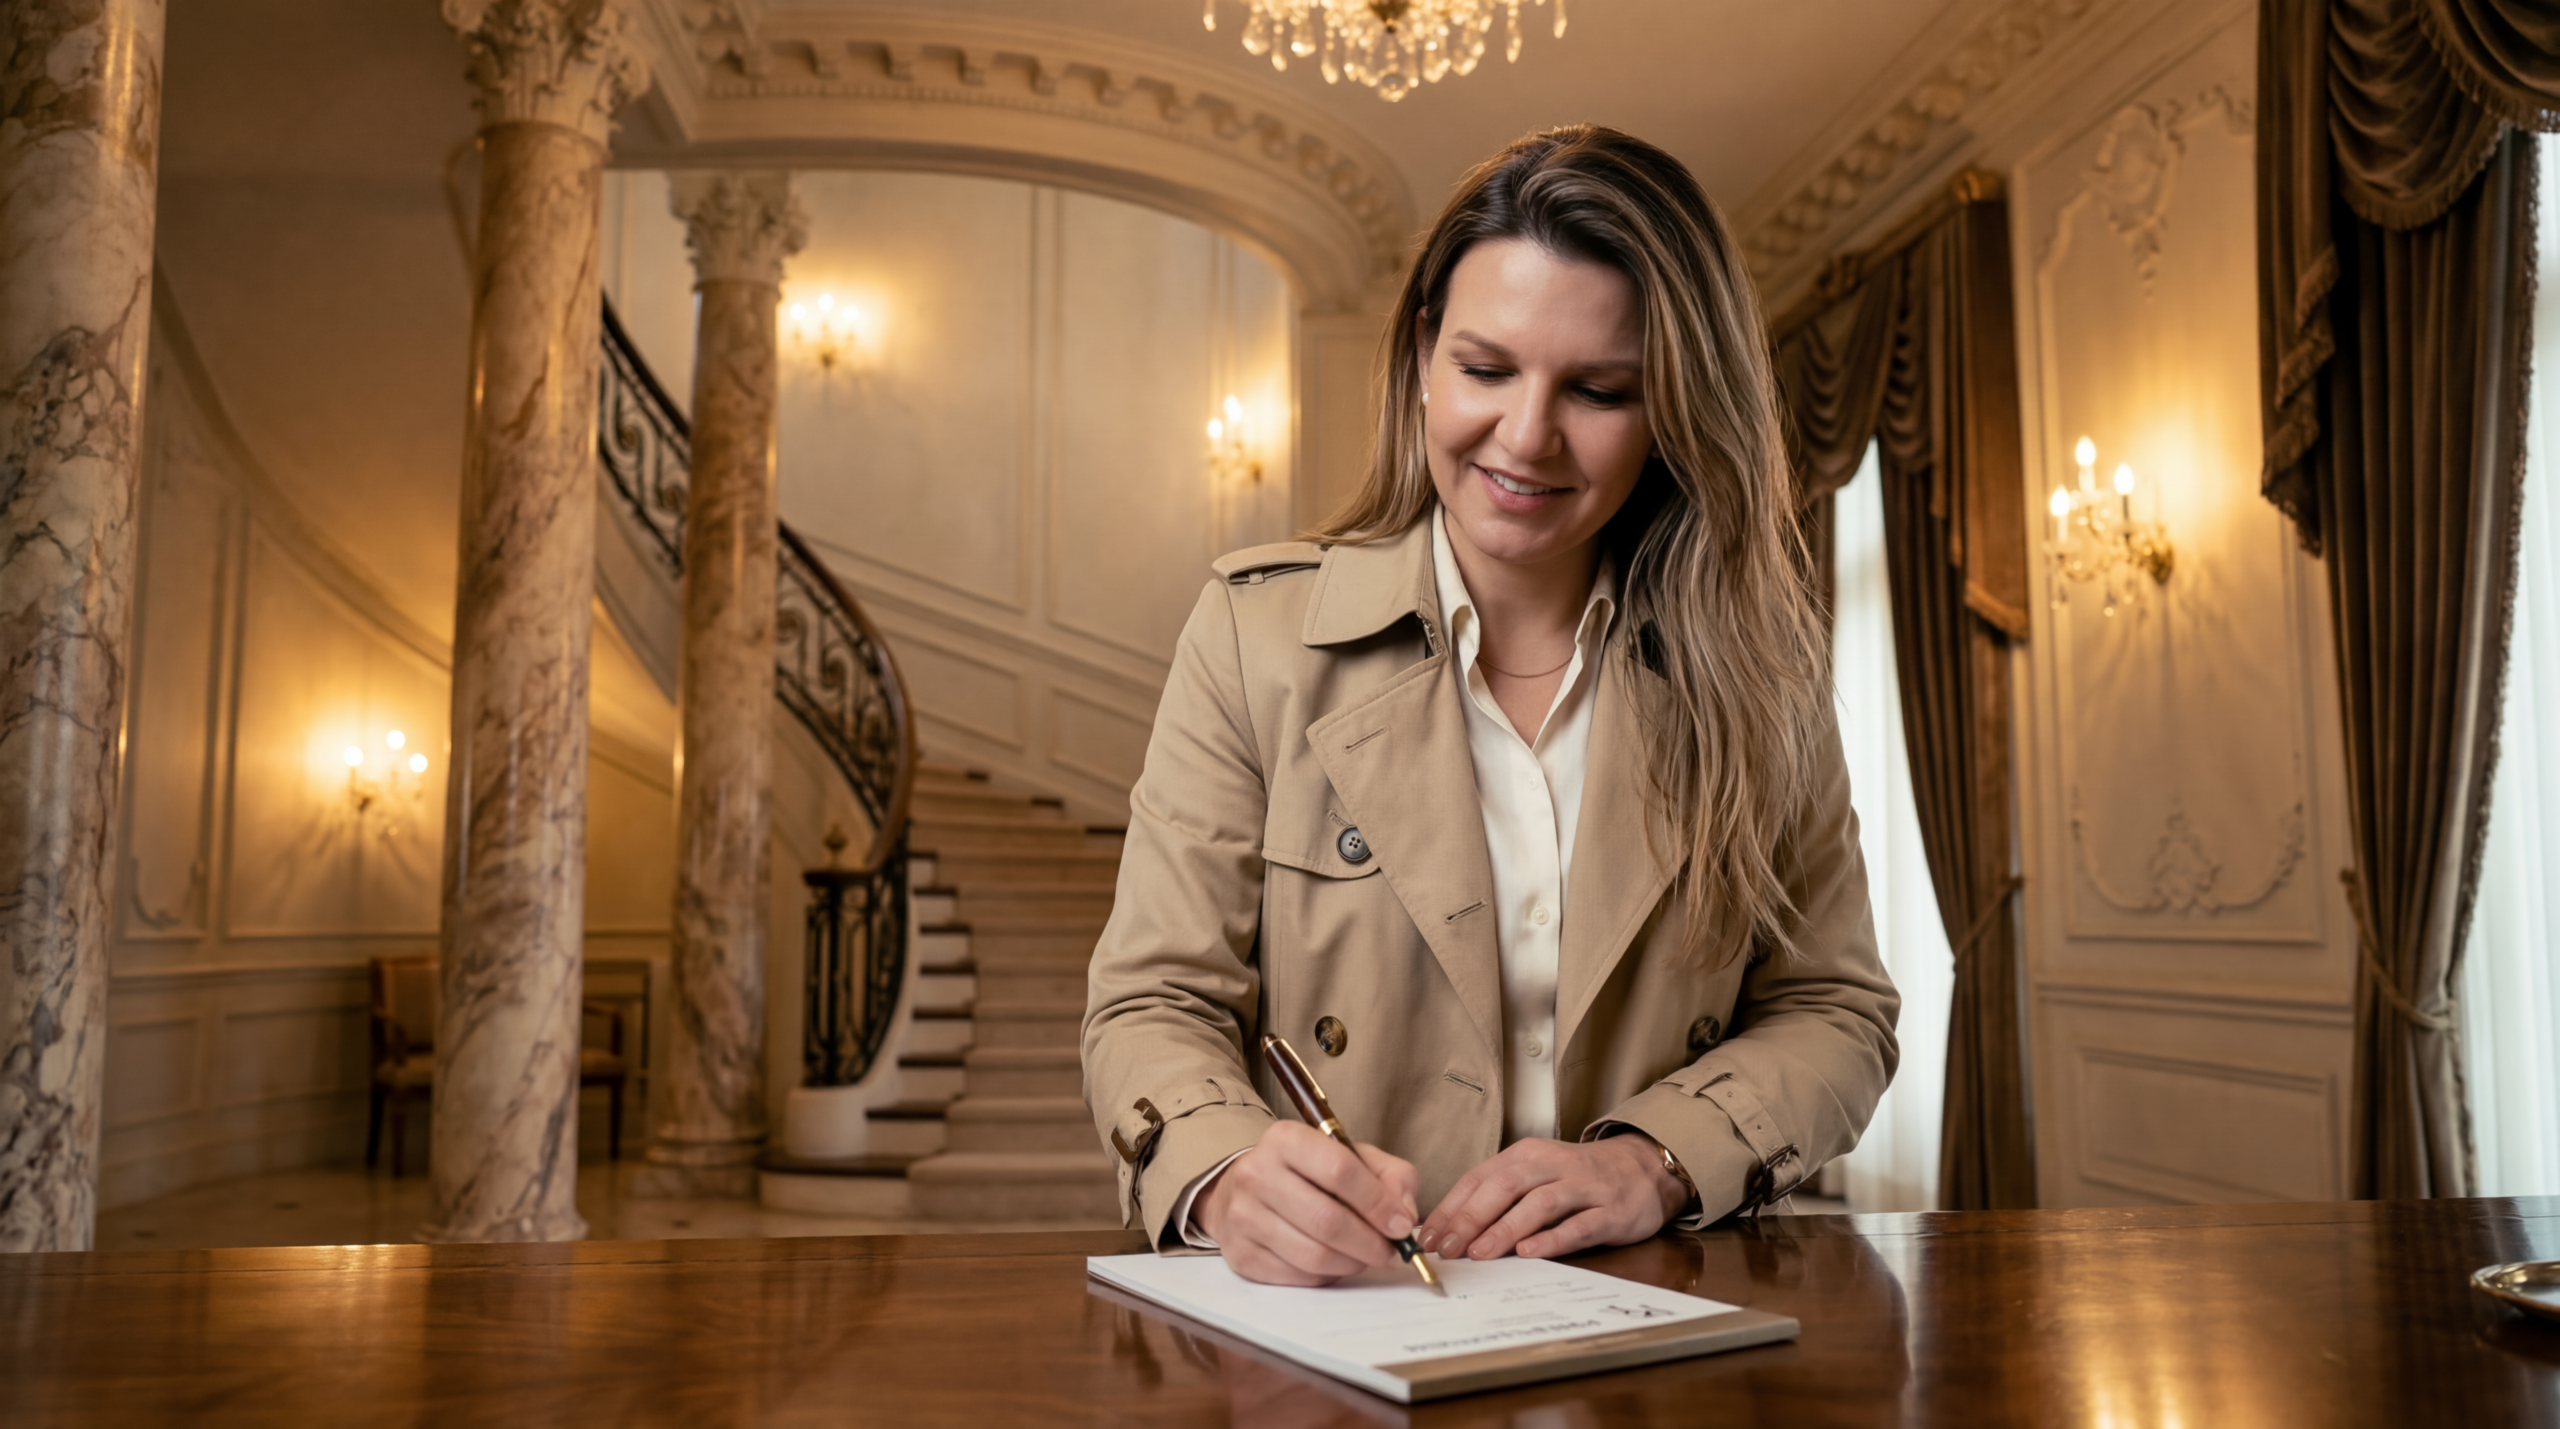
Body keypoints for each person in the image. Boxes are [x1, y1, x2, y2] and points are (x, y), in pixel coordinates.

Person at [1081, 125, 1898, 1287]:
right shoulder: (1250, 633)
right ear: (1422, 352)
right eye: (1486, 369)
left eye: (1600, 390)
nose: (1526, 436)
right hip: (1338, 1319)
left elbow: (1834, 1005)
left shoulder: (1761, 667)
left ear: (1670, 406)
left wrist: (1659, 1158)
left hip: (1652, 1312)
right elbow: (1152, 1000)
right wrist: (1224, 1171)